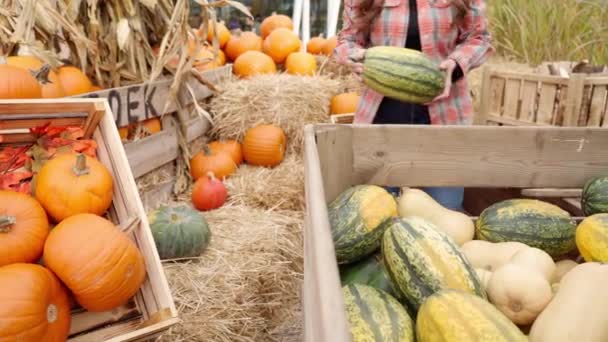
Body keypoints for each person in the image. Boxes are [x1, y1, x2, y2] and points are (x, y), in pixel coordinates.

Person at [334, 0, 492, 211]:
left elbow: (479, 38)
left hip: (445, 118)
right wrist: (353, 56)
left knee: (445, 212)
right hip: (382, 122)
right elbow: (347, 39)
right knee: (377, 214)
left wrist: (455, 65)